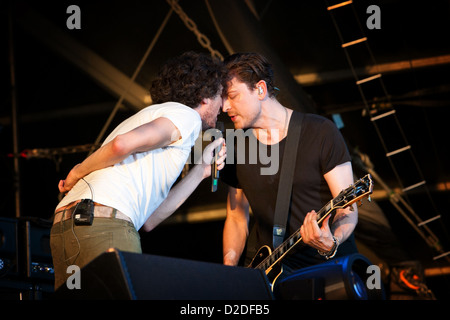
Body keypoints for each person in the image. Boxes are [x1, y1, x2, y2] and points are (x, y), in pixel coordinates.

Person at [50, 51, 227, 290]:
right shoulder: (187, 116)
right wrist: (77, 171)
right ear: (205, 96)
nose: (223, 107)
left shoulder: (152, 116)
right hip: (103, 224)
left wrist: (202, 171)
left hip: (67, 225)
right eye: (220, 96)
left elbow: (150, 220)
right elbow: (120, 145)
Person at [220, 52, 358, 285]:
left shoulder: (320, 132)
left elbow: (348, 209)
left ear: (260, 90)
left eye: (232, 96)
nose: (224, 107)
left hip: (324, 270)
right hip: (266, 272)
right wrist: (229, 266)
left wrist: (332, 240)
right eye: (222, 98)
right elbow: (236, 216)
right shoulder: (235, 146)